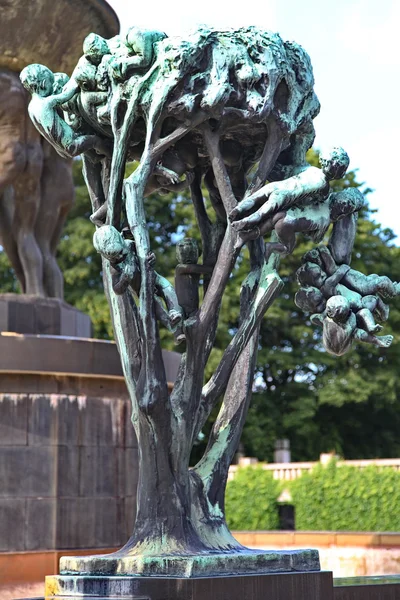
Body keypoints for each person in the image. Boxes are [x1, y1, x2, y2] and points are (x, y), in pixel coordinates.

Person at [92, 225, 183, 330]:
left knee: (168, 288)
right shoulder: (114, 267)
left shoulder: (131, 245)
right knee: (155, 302)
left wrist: (152, 258)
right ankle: (170, 322)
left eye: (120, 252)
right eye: (114, 257)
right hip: (141, 288)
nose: (120, 257)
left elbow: (147, 253)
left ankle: (175, 312)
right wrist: (125, 278)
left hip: (154, 276)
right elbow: (117, 289)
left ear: (121, 240)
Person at [20, 64, 109, 160]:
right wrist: (76, 79)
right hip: (73, 144)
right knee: (95, 140)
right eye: (51, 82)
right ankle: (110, 154)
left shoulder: (31, 107)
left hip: (61, 150)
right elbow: (67, 95)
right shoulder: (46, 102)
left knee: (83, 137)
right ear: (44, 84)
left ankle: (94, 157)